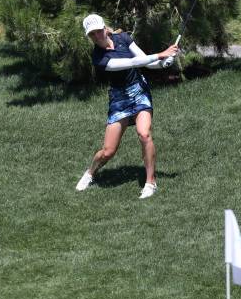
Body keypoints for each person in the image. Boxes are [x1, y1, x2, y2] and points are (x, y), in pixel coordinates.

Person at [76, 14, 179, 199]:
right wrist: (160, 54)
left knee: (144, 133)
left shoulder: (123, 38)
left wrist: (163, 62)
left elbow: (146, 61)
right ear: (90, 36)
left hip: (139, 91)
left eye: (99, 31)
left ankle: (150, 182)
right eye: (92, 34)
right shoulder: (98, 58)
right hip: (119, 99)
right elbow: (131, 63)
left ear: (104, 28)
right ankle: (90, 172)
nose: (97, 36)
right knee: (108, 151)